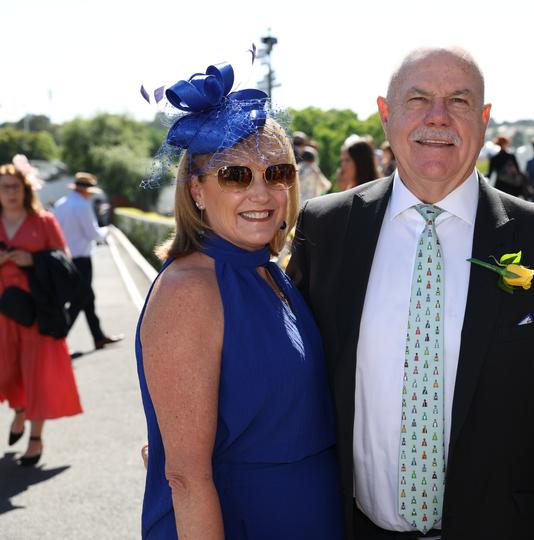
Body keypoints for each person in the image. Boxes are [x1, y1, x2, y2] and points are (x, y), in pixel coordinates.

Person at [288, 47, 534, 539]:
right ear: (385, 114)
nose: (437, 118)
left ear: (483, 119)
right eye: (418, 99)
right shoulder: (326, 228)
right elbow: (290, 376)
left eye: (459, 101)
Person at [136, 63, 343, 538]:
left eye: (277, 172)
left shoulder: (268, 272)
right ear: (197, 191)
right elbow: (186, 477)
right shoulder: (191, 288)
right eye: (234, 175)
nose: (261, 192)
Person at [0, 159, 82, 467]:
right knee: (6, 373)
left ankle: (35, 437)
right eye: (4, 187)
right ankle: (19, 409)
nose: (10, 193)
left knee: (37, 374)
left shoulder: (44, 222)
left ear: (25, 189)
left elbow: (65, 262)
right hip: (2, 312)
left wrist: (33, 261)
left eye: (15, 187)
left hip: (37, 311)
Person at [53, 173, 122, 350]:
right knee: (80, 298)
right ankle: (59, 336)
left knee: (87, 298)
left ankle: (98, 337)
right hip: (82, 259)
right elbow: (92, 234)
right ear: (85, 191)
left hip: (65, 258)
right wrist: (106, 231)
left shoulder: (60, 205)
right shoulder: (82, 206)